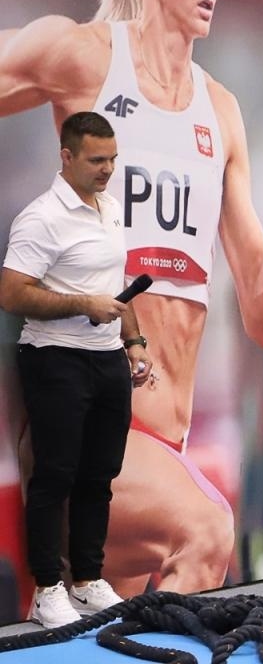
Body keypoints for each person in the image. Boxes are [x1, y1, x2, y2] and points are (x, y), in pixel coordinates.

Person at [0, 0, 263, 595]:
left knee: (91, 663)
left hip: (160, 448)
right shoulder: (84, 56)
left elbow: (262, 315)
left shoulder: (220, 111)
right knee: (207, 530)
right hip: (88, 423)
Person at [0, 111, 151, 628]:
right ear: (66, 157)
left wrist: (134, 342)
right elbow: (12, 293)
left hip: (108, 359)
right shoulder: (41, 217)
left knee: (100, 476)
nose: (108, 169)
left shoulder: (109, 209)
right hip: (55, 357)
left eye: (112, 159)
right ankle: (47, 589)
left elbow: (118, 285)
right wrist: (82, 302)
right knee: (55, 477)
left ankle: (87, 581)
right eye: (96, 160)